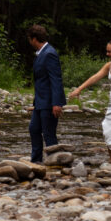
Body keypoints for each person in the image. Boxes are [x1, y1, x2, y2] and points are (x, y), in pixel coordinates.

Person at [26, 24, 66, 163]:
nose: (29, 42)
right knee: (34, 129)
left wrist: (56, 103)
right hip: (40, 102)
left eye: (30, 39)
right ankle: (36, 160)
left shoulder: (49, 53)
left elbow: (56, 79)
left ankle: (54, 161)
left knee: (48, 133)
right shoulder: (41, 53)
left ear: (34, 39)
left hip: (49, 102)